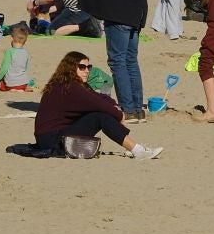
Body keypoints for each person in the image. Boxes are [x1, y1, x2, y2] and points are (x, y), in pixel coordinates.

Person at [33, 53, 161, 158]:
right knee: (100, 116)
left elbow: (100, 98)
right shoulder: (70, 87)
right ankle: (137, 150)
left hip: (54, 135)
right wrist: (119, 115)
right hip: (51, 140)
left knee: (102, 112)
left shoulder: (70, 84)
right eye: (82, 67)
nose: (87, 71)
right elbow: (99, 104)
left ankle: (133, 147)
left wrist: (114, 108)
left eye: (89, 67)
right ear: (70, 68)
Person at [0, 23, 35, 91]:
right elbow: (25, 68)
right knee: (29, 81)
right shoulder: (25, 53)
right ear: (25, 41)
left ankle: (12, 88)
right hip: (23, 82)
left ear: (12, 39)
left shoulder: (9, 51)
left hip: (10, 83)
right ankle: (24, 88)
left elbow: (4, 68)